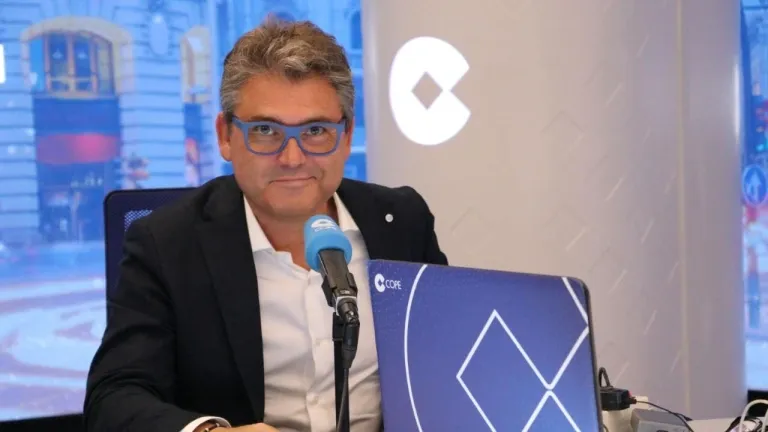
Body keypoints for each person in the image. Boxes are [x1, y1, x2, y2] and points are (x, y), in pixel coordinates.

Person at [83, 18, 448, 432]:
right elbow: (114, 398)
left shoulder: (402, 222)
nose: (292, 158)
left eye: (315, 130)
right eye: (265, 130)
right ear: (225, 136)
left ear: (346, 135)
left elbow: (447, 356)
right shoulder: (166, 243)